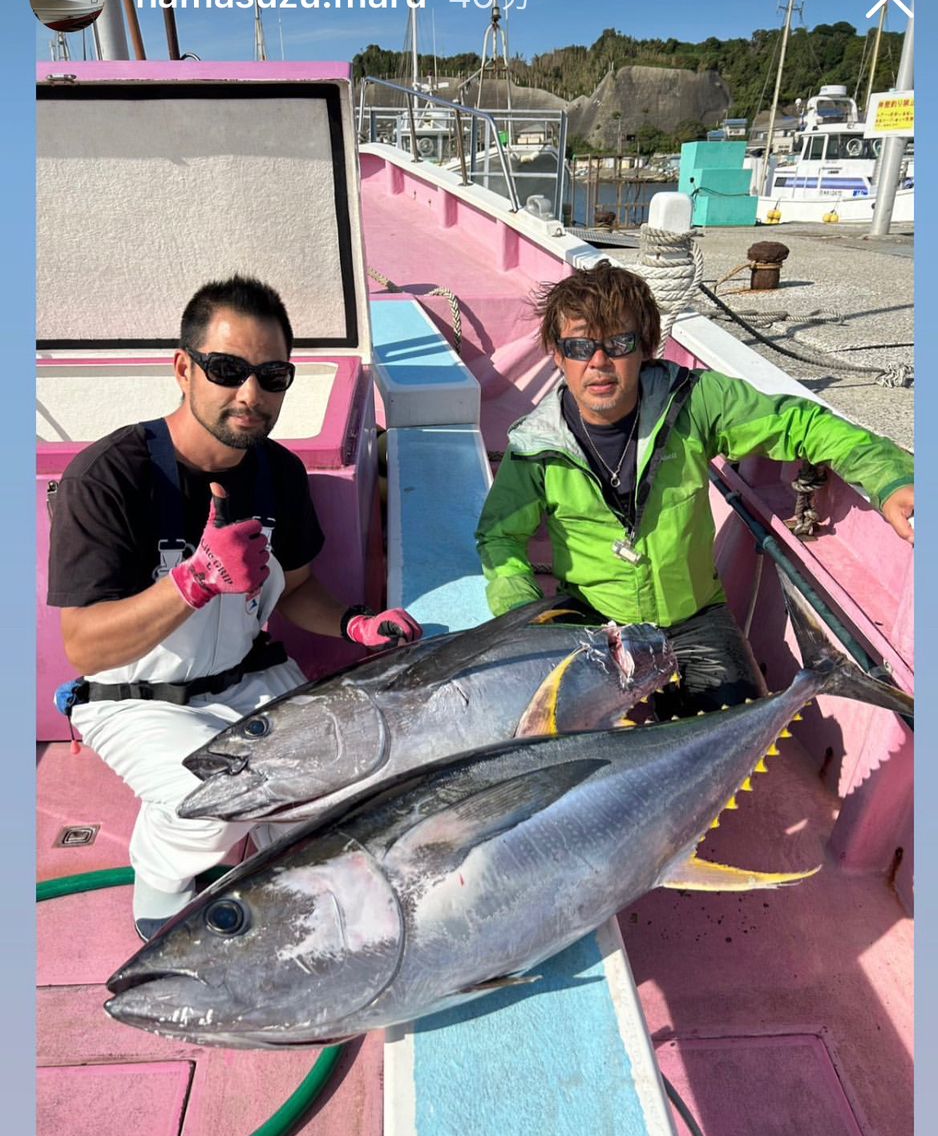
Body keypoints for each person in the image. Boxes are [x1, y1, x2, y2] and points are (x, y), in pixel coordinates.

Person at [48, 275, 422, 940]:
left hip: (252, 679)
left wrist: (355, 623)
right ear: (183, 369)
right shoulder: (110, 478)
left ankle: (271, 851)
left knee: (351, 786)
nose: (251, 394)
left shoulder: (276, 472)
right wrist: (195, 580)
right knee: (219, 802)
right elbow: (86, 645)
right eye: (227, 370)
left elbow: (299, 587)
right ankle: (161, 875)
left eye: (272, 375)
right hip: (137, 695)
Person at [475, 261, 913, 717]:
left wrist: (889, 477)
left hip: (696, 619)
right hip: (595, 624)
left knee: (738, 736)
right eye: (580, 346)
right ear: (557, 353)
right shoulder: (534, 447)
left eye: (618, 343)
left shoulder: (695, 399)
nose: (599, 362)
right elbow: (499, 537)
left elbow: (797, 421)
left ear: (645, 347)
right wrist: (529, 625)